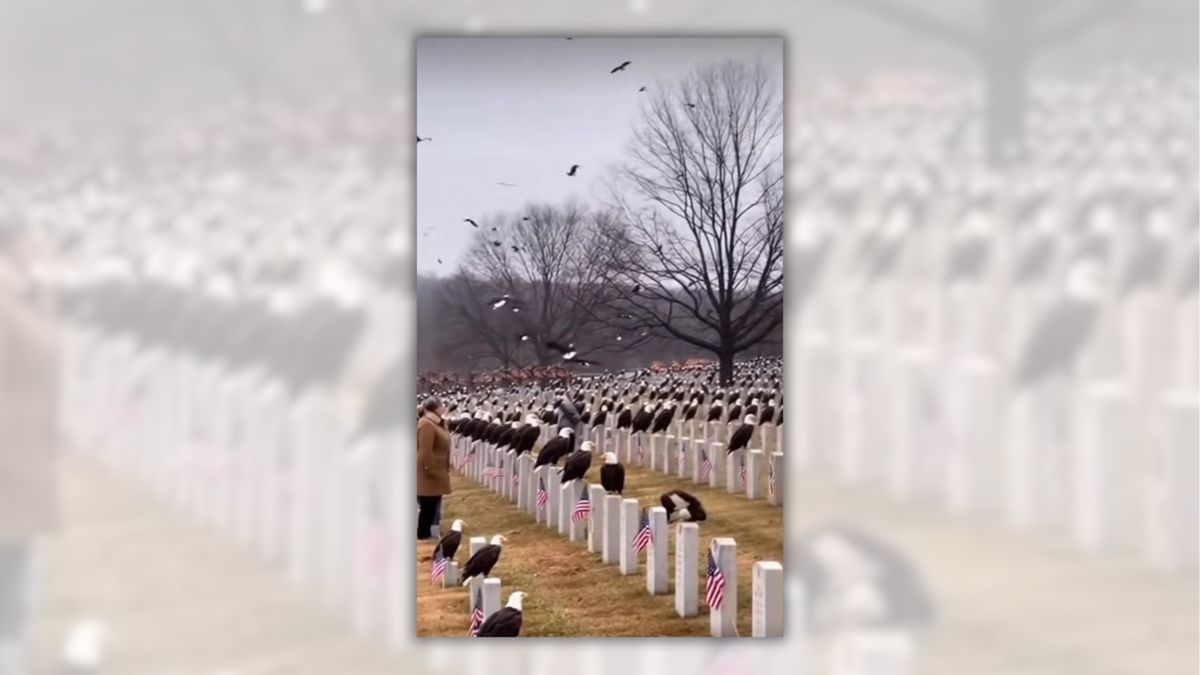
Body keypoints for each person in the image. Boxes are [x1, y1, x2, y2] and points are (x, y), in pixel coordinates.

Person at [0, 222, 60, 675]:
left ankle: (14, 652)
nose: (39, 246)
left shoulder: (25, 294)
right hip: (8, 446)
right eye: (29, 238)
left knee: (17, 557)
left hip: (23, 444)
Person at [416, 396, 451, 540]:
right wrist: (430, 469)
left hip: (439, 469)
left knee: (434, 503)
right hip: (429, 471)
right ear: (436, 408)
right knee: (427, 504)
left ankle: (433, 530)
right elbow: (425, 451)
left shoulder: (439, 423)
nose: (444, 407)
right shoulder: (426, 424)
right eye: (442, 405)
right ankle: (423, 534)